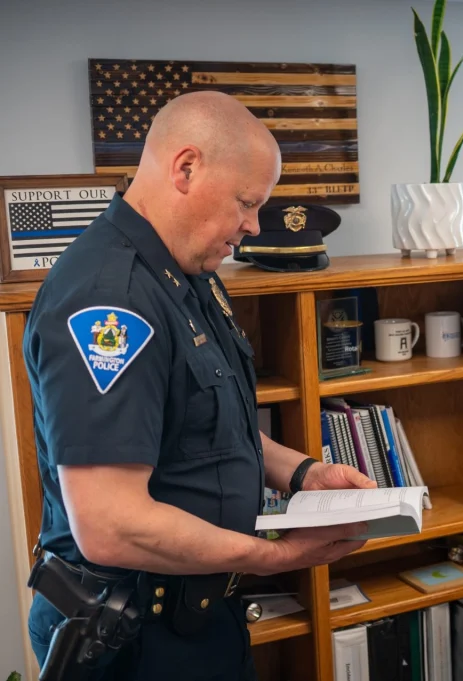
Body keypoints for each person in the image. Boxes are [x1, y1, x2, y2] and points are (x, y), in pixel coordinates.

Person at [24, 91, 376, 681]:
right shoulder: (112, 297)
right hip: (128, 634)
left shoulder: (190, 276)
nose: (253, 225)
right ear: (186, 168)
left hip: (193, 613)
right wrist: (276, 557)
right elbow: (111, 524)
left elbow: (203, 427)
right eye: (247, 202)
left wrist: (303, 474)